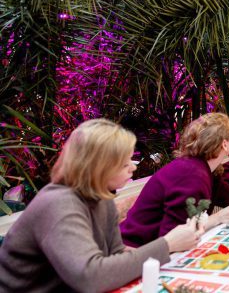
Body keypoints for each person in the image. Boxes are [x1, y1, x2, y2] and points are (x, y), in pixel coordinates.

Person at [0, 119, 200, 292]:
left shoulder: (101, 198)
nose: (133, 167)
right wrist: (168, 244)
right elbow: (90, 277)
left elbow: (116, 253)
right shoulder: (58, 204)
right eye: (125, 163)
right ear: (98, 168)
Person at [121, 113, 229, 247]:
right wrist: (218, 217)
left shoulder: (208, 170)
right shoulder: (192, 175)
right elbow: (175, 237)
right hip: (135, 250)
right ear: (224, 144)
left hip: (155, 248)